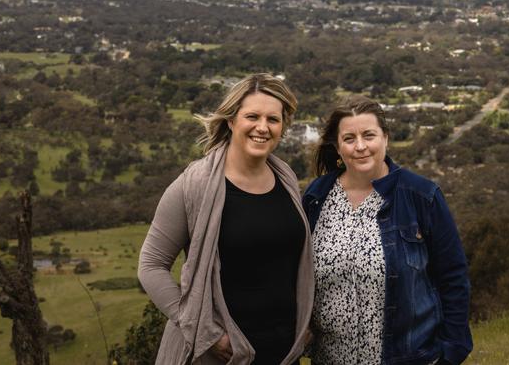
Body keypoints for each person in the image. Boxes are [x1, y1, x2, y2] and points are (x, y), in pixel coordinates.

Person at [138, 73, 313, 365]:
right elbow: (151, 265)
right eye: (252, 116)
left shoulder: (287, 179)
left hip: (283, 351)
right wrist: (204, 331)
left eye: (273, 119)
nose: (262, 127)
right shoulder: (194, 185)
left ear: (283, 127)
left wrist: (305, 324)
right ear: (231, 121)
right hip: (220, 353)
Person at [303, 95, 472, 365]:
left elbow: (453, 277)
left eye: (369, 135)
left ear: (385, 138)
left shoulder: (421, 196)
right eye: (349, 138)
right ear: (337, 147)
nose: (360, 146)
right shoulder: (316, 197)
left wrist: (451, 353)